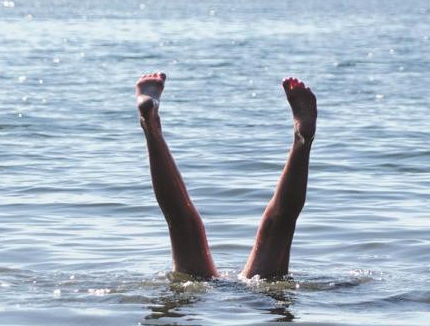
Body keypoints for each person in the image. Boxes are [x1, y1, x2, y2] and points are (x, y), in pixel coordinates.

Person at [135, 72, 317, 279]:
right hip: (261, 298)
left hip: (200, 293)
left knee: (182, 224)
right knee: (279, 223)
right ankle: (302, 140)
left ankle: (150, 126)